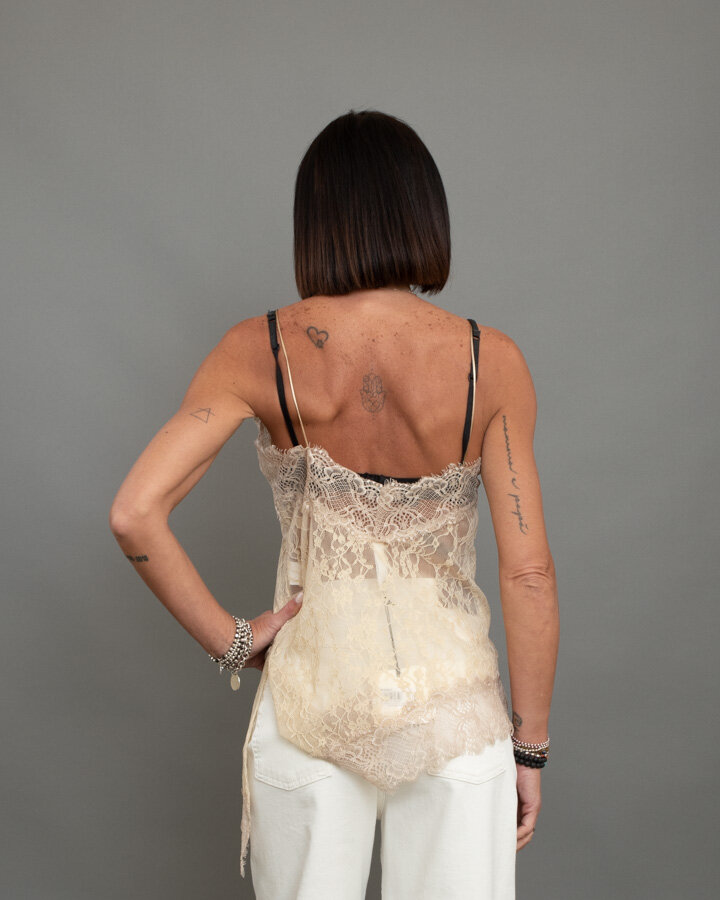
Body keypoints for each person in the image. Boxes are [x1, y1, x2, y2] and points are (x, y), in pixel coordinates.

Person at [109, 108, 559, 899]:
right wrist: (530, 747)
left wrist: (233, 640)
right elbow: (528, 575)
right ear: (423, 212)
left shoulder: (260, 349)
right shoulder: (491, 362)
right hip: (457, 721)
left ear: (316, 223)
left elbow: (134, 511)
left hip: (309, 710)